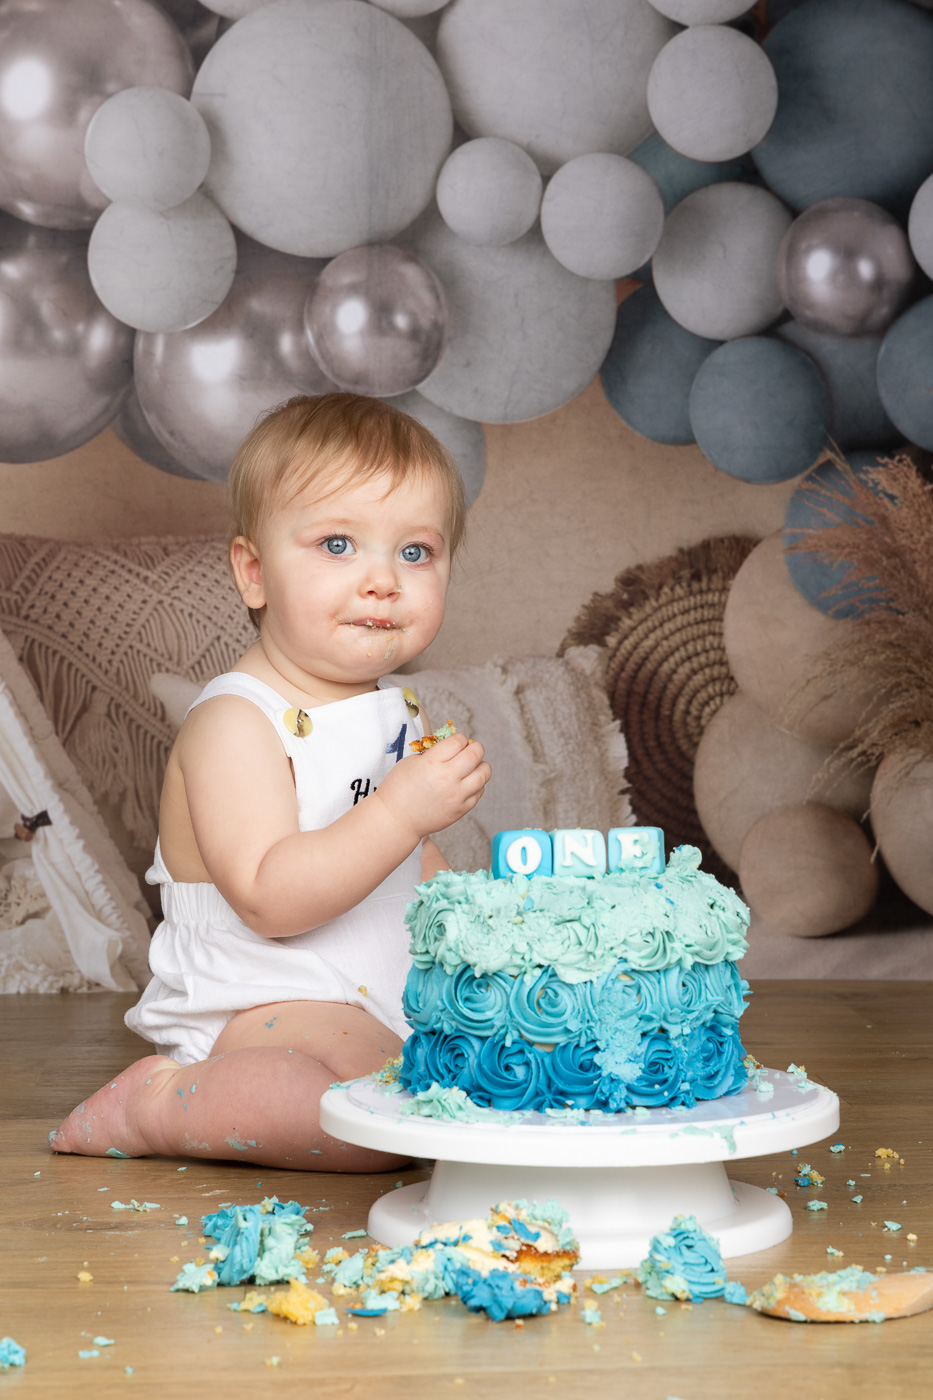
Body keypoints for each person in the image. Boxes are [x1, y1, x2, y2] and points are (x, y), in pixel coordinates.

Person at [50, 394, 490, 1172]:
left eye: (415, 552)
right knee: (365, 1122)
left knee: (482, 1076)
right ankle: (158, 1104)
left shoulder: (395, 709)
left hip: (373, 986)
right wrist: (403, 810)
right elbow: (270, 900)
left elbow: (404, 861)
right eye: (337, 544)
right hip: (262, 996)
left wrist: (469, 921)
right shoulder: (236, 722)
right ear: (254, 573)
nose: (382, 580)